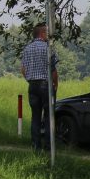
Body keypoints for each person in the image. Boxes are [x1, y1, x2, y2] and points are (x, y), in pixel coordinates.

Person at [20, 22, 59, 151]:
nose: (48, 35)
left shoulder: (27, 49)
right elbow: (53, 70)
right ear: (42, 33)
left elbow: (23, 70)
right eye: (47, 32)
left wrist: (30, 80)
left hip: (32, 86)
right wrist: (55, 85)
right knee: (48, 117)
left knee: (35, 117)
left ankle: (36, 146)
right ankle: (49, 147)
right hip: (45, 85)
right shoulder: (48, 48)